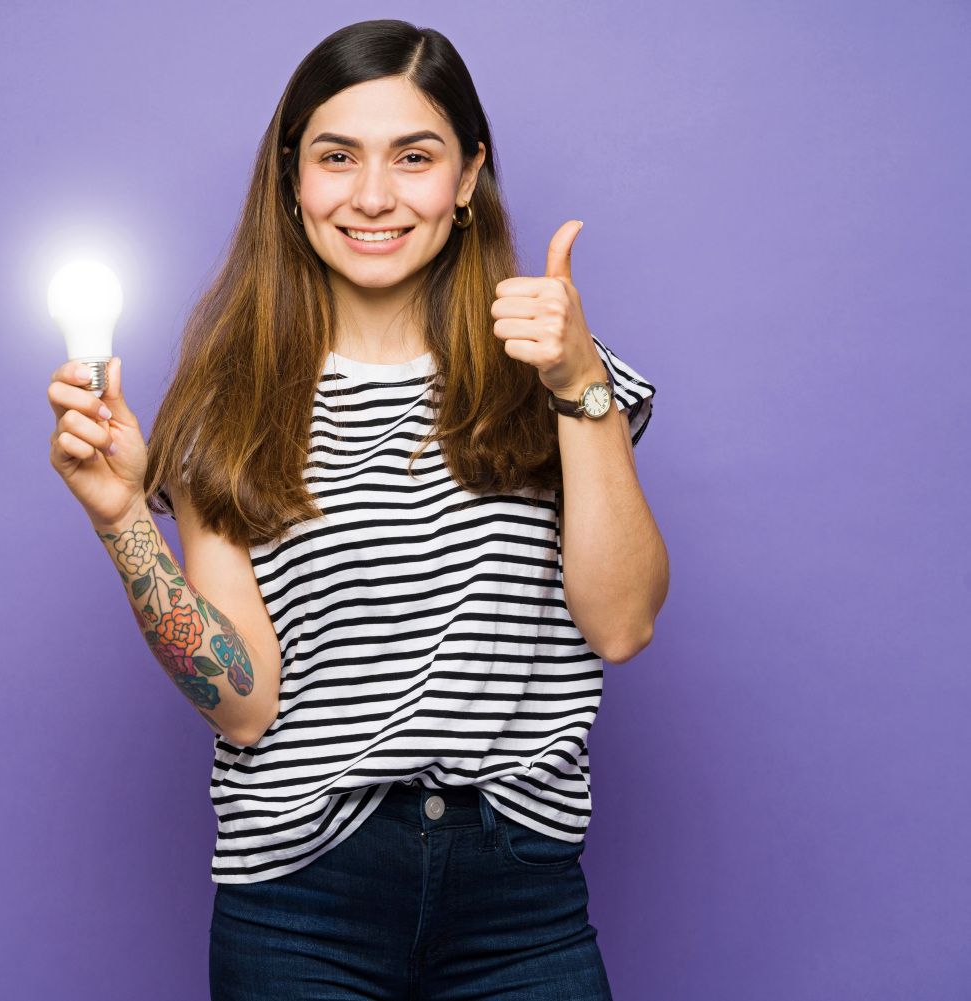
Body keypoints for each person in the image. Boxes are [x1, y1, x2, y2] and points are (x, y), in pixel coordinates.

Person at [48, 17, 666, 1001]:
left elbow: (622, 622)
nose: (373, 195)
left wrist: (578, 382)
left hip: (521, 898)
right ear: (294, 180)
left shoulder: (556, 376)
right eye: (338, 157)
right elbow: (244, 704)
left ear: (467, 178)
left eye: (413, 157)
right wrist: (122, 514)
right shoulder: (225, 403)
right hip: (300, 899)